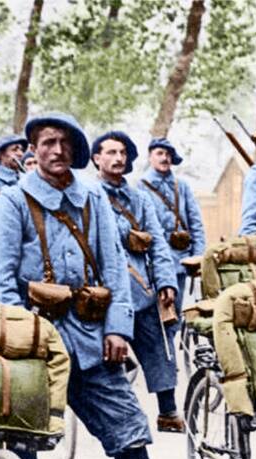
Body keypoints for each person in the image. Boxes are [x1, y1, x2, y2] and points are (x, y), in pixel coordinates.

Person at [0, 112, 195, 459]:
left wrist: (118, 329)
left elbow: (115, 270)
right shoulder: (12, 203)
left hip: (91, 335)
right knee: (25, 431)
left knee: (127, 426)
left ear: (77, 152)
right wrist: (21, 336)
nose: (56, 151)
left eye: (64, 143)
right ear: (32, 150)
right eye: (46, 142)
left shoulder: (93, 201)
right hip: (34, 337)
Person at [92, 131, 184, 432]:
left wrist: (166, 281)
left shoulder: (140, 199)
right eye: (110, 152)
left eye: (122, 153)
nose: (118, 158)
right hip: (102, 289)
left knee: (159, 344)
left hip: (141, 287)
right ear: (96, 159)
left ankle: (168, 411)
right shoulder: (88, 196)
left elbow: (157, 242)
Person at [139, 137, 206, 313]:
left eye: (168, 154)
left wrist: (198, 257)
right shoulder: (140, 187)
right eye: (159, 153)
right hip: (152, 264)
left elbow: (195, 222)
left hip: (180, 260)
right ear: (150, 157)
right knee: (154, 315)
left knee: (176, 312)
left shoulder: (181, 186)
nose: (164, 158)